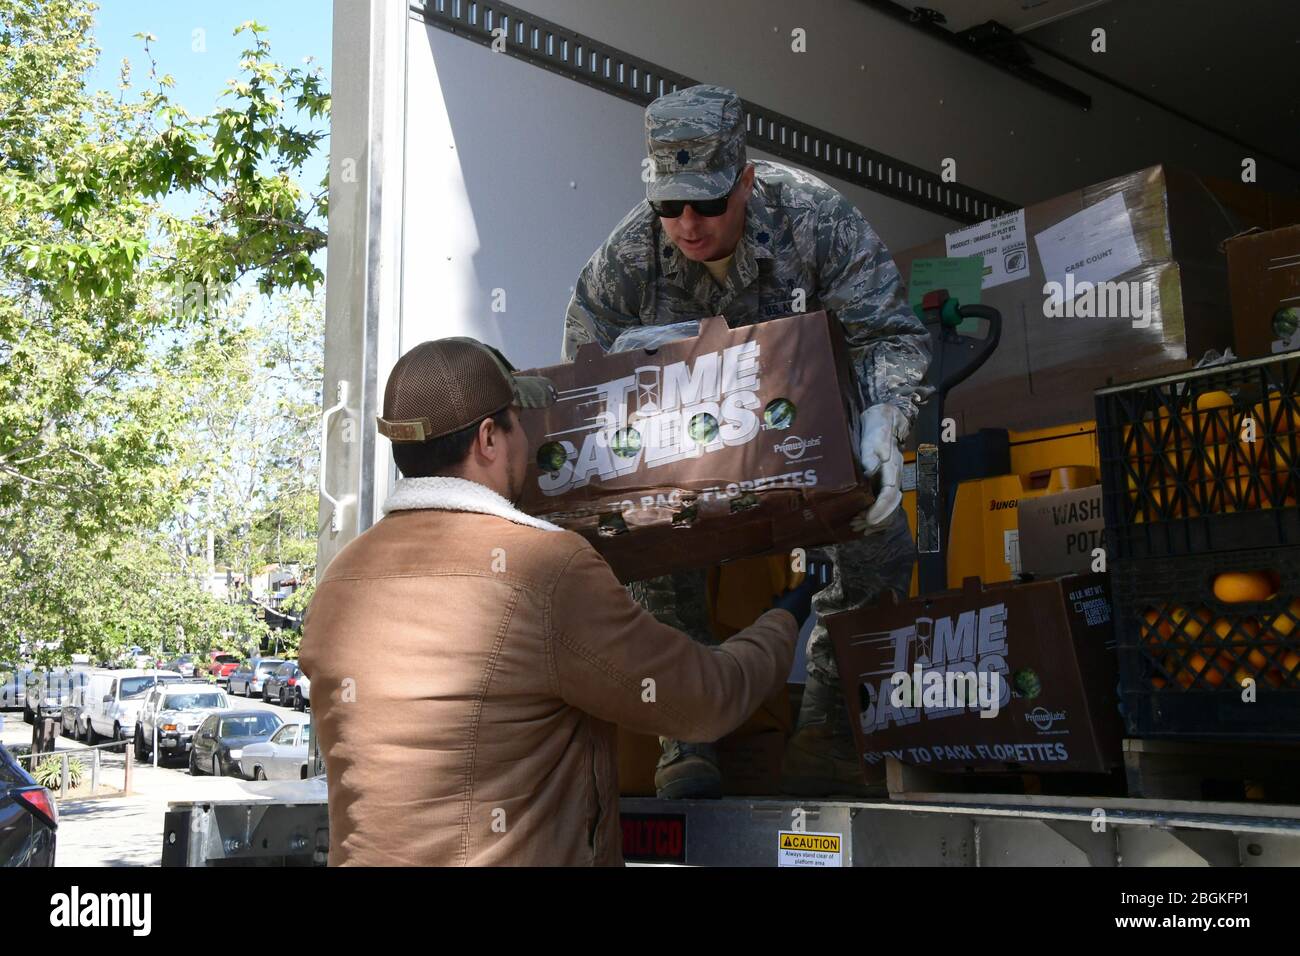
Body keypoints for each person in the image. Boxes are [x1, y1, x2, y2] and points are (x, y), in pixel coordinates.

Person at [298, 337, 800, 866]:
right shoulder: (544, 570)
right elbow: (702, 702)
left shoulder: (339, 583)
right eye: (519, 420)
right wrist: (784, 621)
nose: (531, 439)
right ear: (489, 438)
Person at [563, 84, 932, 797]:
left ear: (746, 181)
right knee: (636, 550)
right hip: (689, 452)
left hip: (810, 441)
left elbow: (889, 332)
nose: (687, 225)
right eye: (670, 206)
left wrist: (887, 416)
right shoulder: (628, 256)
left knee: (882, 548)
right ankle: (689, 736)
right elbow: (584, 377)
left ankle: (829, 731)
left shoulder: (815, 219)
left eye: (707, 203)